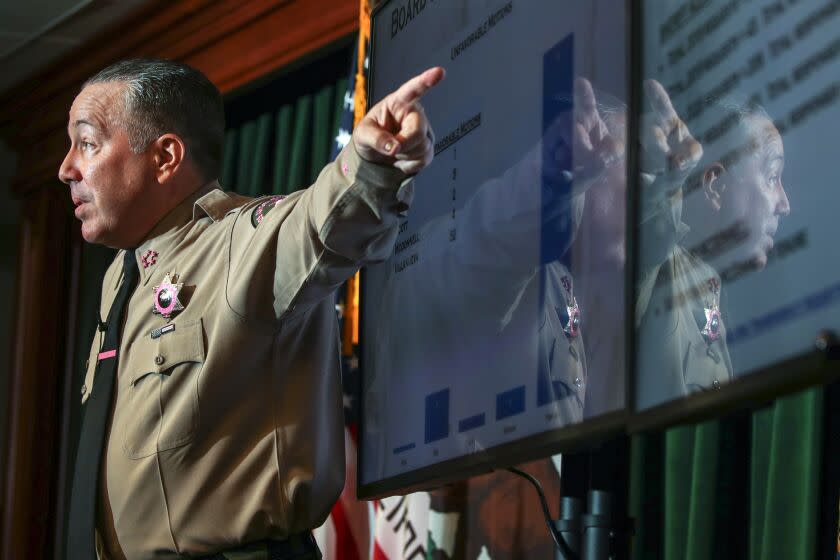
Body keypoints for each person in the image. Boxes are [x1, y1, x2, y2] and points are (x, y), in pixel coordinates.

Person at [58, 58, 443, 560]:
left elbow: (318, 223)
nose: (66, 168)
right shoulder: (121, 277)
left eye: (86, 143)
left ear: (165, 157)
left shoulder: (241, 239)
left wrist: (372, 165)